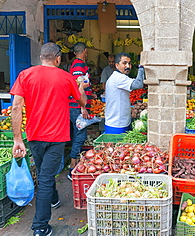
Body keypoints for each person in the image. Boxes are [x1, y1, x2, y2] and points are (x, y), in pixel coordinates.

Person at [10, 42, 88, 236]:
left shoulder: (25, 75)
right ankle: (40, 227)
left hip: (34, 136)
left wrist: (17, 139)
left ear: (41, 57)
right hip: (56, 137)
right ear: (58, 58)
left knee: (45, 172)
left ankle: (53, 198)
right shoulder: (66, 77)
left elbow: (16, 107)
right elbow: (82, 102)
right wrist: (82, 86)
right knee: (45, 178)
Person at [67, 42, 95, 181]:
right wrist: (83, 107)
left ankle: (74, 163)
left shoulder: (77, 64)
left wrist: (91, 94)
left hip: (75, 107)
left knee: (78, 135)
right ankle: (72, 167)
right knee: (80, 136)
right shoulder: (78, 65)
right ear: (85, 51)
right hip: (77, 108)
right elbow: (79, 85)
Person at [104, 52, 145, 133]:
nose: (128, 66)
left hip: (119, 122)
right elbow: (138, 84)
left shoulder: (118, 77)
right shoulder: (119, 78)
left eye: (129, 63)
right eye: (124, 63)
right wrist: (141, 67)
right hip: (117, 124)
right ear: (117, 65)